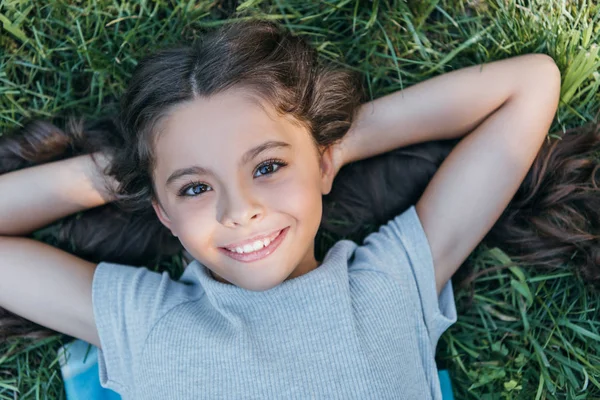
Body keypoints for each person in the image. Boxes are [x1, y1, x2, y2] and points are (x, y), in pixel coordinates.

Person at [0, 19, 595, 399]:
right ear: (162, 212)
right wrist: (121, 176)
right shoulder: (144, 320)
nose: (241, 209)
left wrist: (326, 147)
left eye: (265, 167)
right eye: (193, 188)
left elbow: (530, 86)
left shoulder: (386, 286)